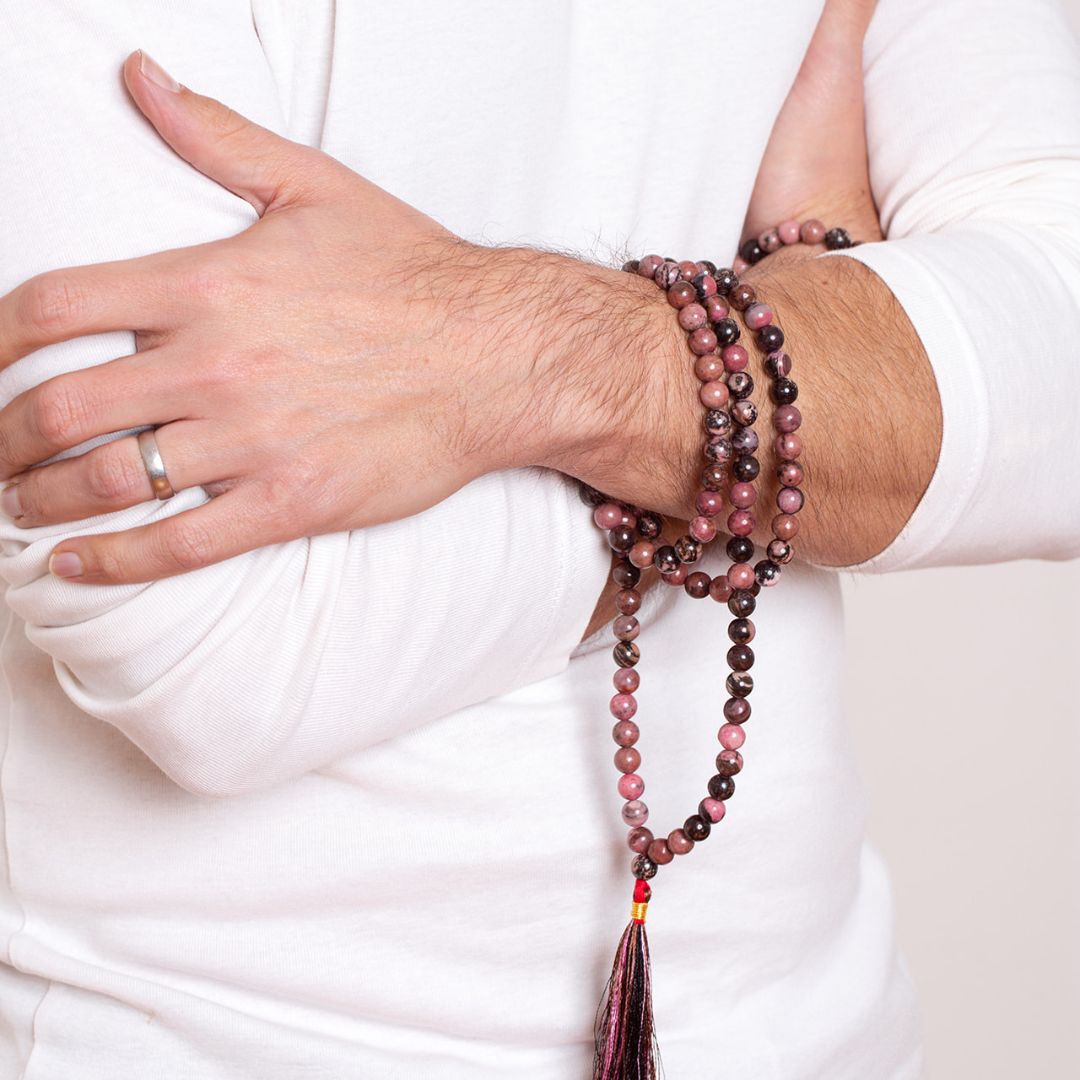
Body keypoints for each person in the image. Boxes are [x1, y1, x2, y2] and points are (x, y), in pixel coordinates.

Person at [0, 1, 1077, 1076]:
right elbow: (217, 654)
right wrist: (787, 372)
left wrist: (533, 350)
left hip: (819, 1028)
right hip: (218, 1038)